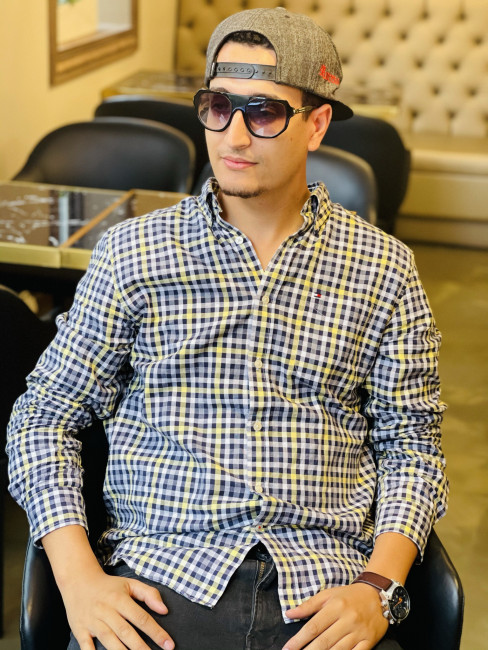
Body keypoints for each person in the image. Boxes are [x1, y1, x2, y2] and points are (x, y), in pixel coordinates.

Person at [7, 7, 448, 650]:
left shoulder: (384, 268)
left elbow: (412, 445)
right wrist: (76, 578)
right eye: (218, 106)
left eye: (263, 113)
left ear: (317, 123)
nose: (234, 136)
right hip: (157, 581)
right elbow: (44, 416)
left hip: (325, 589)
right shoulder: (135, 253)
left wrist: (378, 586)